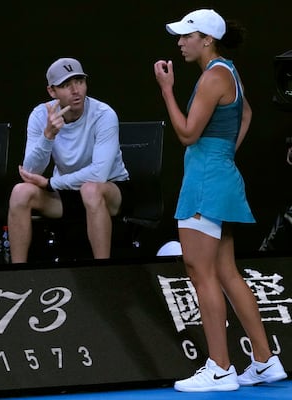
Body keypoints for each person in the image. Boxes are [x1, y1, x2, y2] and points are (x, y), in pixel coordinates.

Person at [154, 9, 287, 392]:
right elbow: (245, 113)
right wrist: (224, 154)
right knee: (227, 273)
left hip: (204, 182)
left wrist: (166, 89)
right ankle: (263, 360)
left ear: (206, 39)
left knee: (202, 272)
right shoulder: (228, 71)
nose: (180, 42)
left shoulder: (213, 77)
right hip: (221, 176)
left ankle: (220, 367)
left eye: (186, 36)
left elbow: (186, 133)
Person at [8, 57, 130, 262]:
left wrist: (50, 183)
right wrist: (48, 137)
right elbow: (30, 172)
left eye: (80, 82)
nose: (76, 90)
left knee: (90, 189)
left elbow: (98, 174)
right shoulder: (41, 115)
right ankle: (16, 273)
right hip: (67, 194)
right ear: (52, 91)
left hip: (109, 190)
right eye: (66, 85)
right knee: (20, 192)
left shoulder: (103, 114)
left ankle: (104, 271)